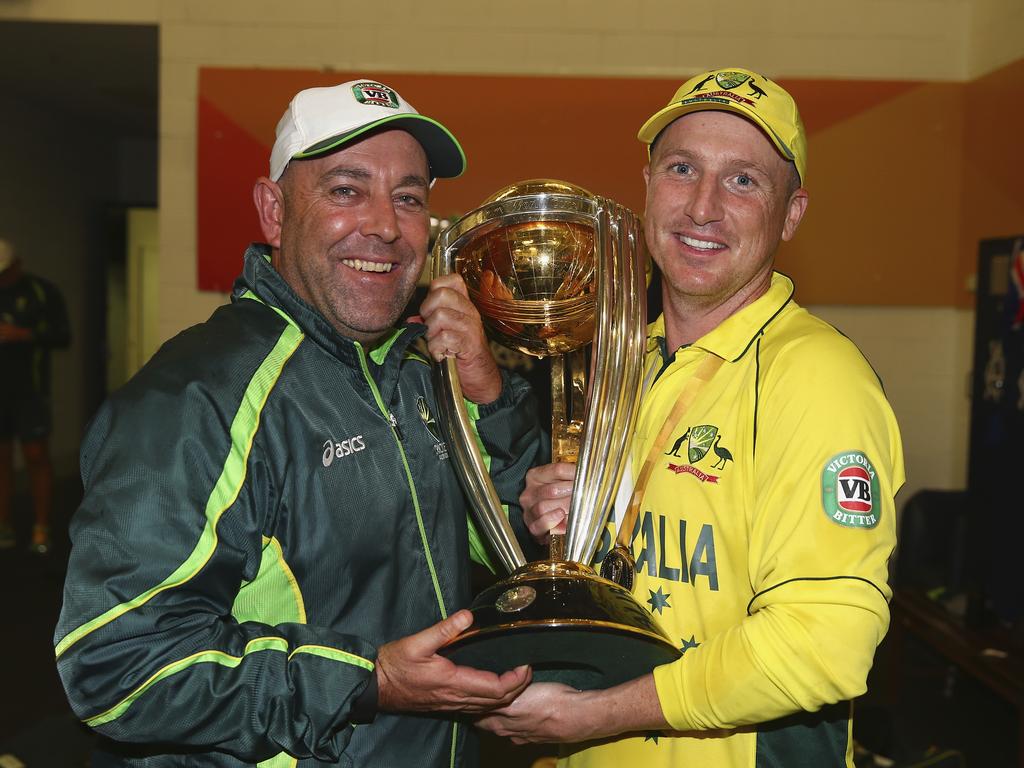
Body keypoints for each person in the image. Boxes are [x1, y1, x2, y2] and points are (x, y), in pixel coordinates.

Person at [55, 79, 543, 767]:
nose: (384, 224)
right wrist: (367, 682)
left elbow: (514, 551)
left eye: (408, 197)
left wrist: (490, 399)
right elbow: (115, 665)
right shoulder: (196, 398)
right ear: (274, 210)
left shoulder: (419, 372)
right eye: (346, 190)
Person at [477, 67, 905, 767]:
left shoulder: (819, 380)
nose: (703, 207)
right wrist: (570, 528)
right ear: (646, 185)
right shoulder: (627, 362)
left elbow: (826, 646)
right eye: (682, 168)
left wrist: (596, 713)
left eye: (743, 181)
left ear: (792, 213)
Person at [0, 237, 70, 554]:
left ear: (17, 264)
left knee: (35, 456)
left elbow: (62, 335)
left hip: (29, 392)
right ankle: (4, 526)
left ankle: (42, 527)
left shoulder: (42, 293)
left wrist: (23, 335)